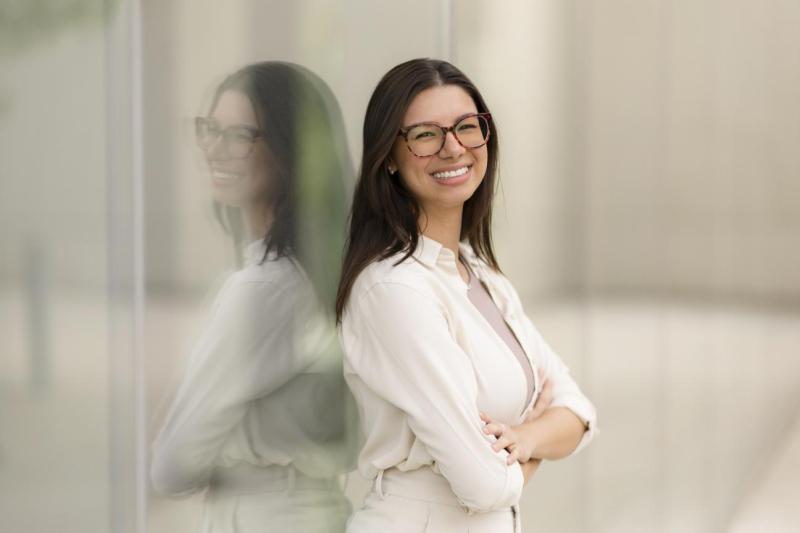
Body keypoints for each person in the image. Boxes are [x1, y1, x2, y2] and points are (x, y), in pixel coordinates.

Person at [335, 58, 598, 532]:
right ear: (389, 156)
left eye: (466, 127)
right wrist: (534, 453)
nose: (453, 147)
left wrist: (519, 438)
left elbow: (579, 412)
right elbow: (483, 485)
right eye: (424, 134)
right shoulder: (394, 290)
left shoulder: (480, 274)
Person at [150, 61, 358, 532]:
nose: (214, 148)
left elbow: (172, 466)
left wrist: (221, 450)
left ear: (291, 151)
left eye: (240, 135)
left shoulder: (264, 290)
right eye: (210, 129)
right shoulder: (322, 273)